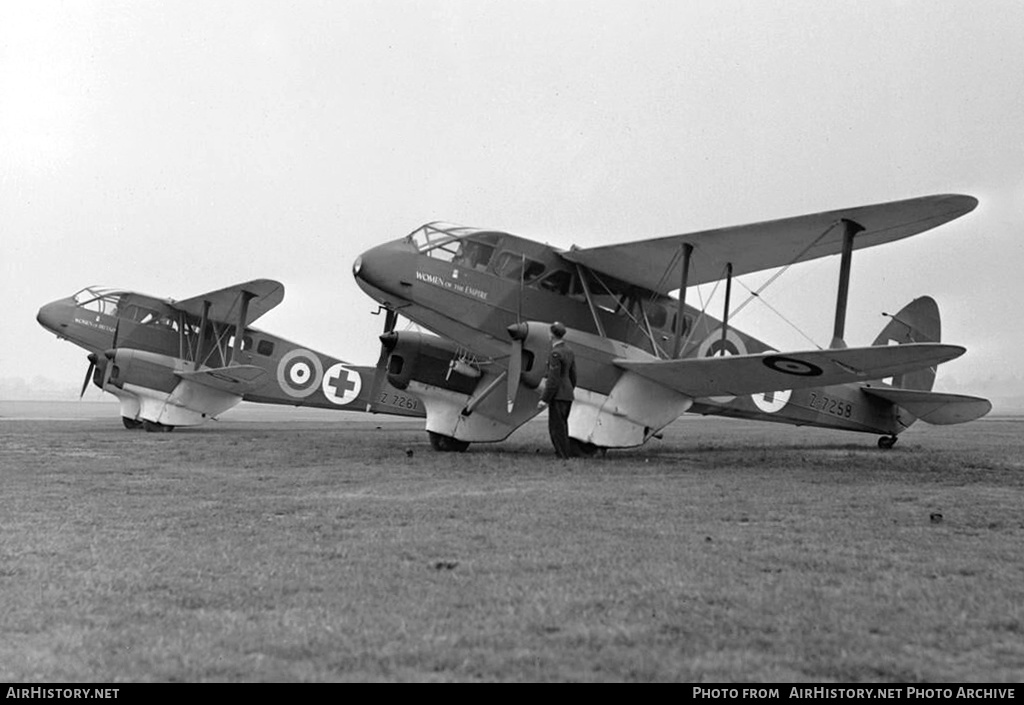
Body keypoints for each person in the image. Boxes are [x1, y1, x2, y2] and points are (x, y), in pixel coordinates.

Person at [538, 321, 577, 458]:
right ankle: (565, 453)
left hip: (558, 395)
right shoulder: (569, 351)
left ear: (551, 335)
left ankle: (562, 455)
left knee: (556, 428)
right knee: (563, 426)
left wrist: (544, 399)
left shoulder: (555, 353)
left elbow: (553, 380)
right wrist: (570, 389)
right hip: (567, 394)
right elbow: (573, 375)